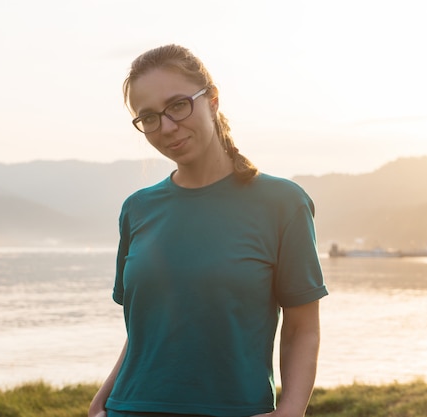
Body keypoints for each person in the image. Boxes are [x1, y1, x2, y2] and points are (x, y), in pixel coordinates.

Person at [89, 44, 328, 417]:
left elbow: (302, 328)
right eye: (149, 117)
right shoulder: (137, 209)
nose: (166, 127)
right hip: (128, 408)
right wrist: (102, 398)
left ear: (212, 100)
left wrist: (291, 411)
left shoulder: (283, 203)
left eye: (178, 105)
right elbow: (145, 331)